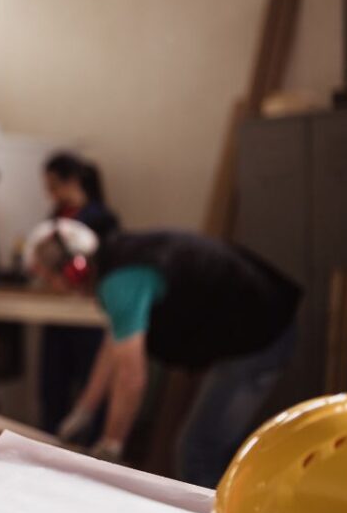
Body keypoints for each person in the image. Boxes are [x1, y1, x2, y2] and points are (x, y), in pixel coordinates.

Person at [25, 219, 301, 487]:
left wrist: (111, 446)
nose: (54, 287)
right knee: (204, 446)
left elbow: (131, 378)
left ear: (75, 269)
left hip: (262, 334)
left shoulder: (120, 283)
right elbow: (113, 346)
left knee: (197, 450)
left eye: (51, 278)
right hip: (258, 323)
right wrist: (85, 409)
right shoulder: (117, 261)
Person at [38, 152, 122, 434]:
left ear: (71, 181)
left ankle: (90, 450)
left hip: (91, 316)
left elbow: (102, 265)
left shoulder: (101, 218)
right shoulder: (55, 219)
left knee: (92, 383)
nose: (49, 192)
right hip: (59, 313)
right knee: (53, 386)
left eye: (53, 184)